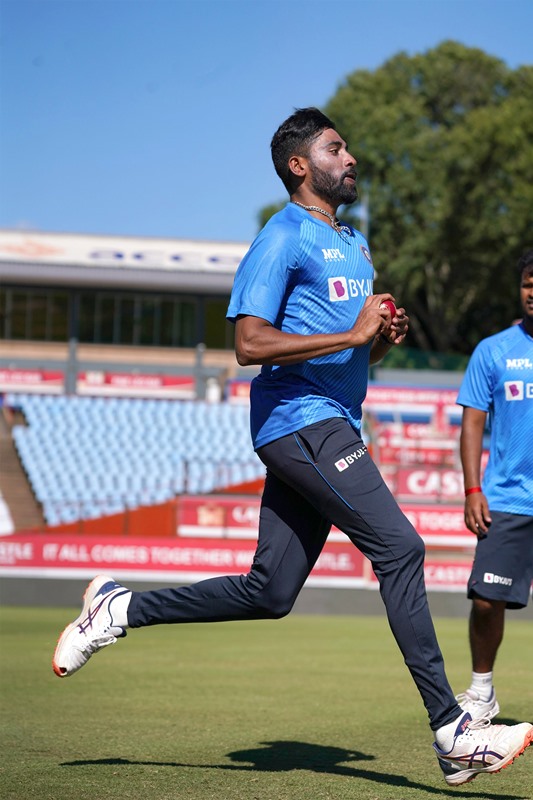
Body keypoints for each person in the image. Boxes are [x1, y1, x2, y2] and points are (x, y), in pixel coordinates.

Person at [52, 108, 533, 786]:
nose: (351, 158)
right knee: (401, 548)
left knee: (269, 591)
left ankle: (120, 608)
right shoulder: (280, 238)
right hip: (298, 421)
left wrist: (378, 333)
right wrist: (348, 336)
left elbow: (349, 331)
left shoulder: (355, 243)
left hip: (326, 419)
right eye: (336, 149)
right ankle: (452, 732)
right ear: (299, 166)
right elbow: (247, 344)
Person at [455, 249, 533, 721]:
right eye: (529, 282)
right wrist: (471, 489)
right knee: (486, 600)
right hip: (507, 499)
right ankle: (481, 692)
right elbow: (472, 424)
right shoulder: (494, 350)